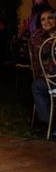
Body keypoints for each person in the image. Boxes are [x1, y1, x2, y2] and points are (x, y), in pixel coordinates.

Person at [30, 8, 56, 136]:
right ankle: (49, 125)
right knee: (37, 86)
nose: (47, 21)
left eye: (50, 18)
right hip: (49, 79)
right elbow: (41, 58)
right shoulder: (37, 37)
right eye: (43, 19)